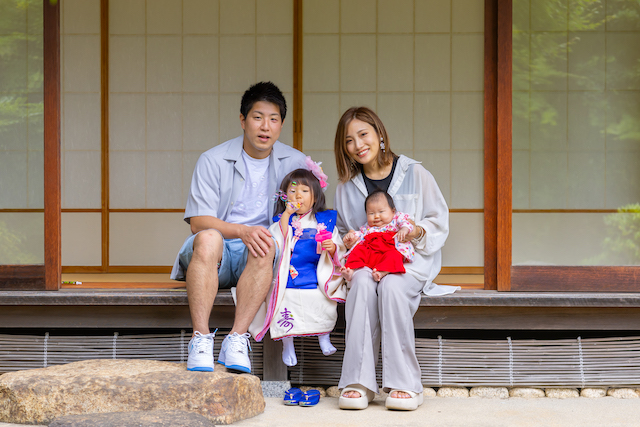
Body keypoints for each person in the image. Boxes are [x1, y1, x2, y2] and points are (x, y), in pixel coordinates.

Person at [170, 82, 307, 373]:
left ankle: (236, 338)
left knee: (267, 241)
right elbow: (198, 222)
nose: (265, 126)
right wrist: (242, 231)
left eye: (273, 119)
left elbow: (305, 214)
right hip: (216, 251)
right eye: (257, 117)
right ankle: (200, 339)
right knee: (208, 238)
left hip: (260, 254)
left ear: (282, 124)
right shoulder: (213, 159)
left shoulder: (295, 162)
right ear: (243, 120)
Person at [333, 106, 457, 411]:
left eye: (363, 135)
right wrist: (346, 242)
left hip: (409, 259)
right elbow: (343, 232)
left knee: (391, 287)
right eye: (349, 140)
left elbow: (438, 219)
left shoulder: (415, 172)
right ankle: (358, 382)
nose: (358, 145)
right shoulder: (346, 187)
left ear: (379, 134)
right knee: (361, 283)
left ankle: (405, 384)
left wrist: (415, 230)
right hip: (367, 260)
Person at [248, 166, 347, 367]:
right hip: (289, 274)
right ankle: (288, 344)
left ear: (315, 196)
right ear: (284, 197)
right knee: (286, 301)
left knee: (323, 300)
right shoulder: (282, 220)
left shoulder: (325, 222)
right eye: (292, 191)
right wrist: (286, 214)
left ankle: (323, 336)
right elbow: (279, 238)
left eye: (304, 191)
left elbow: (340, 249)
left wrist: (332, 247)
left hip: (314, 273)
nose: (298, 195)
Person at [341, 189, 415, 283]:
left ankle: (382, 272)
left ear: (393, 211)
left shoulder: (396, 220)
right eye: (371, 213)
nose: (376, 216)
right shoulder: (368, 228)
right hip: (372, 253)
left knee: (394, 256)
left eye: (381, 212)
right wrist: (351, 236)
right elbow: (360, 235)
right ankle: (350, 270)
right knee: (358, 251)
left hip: (390, 249)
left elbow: (407, 223)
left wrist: (404, 229)